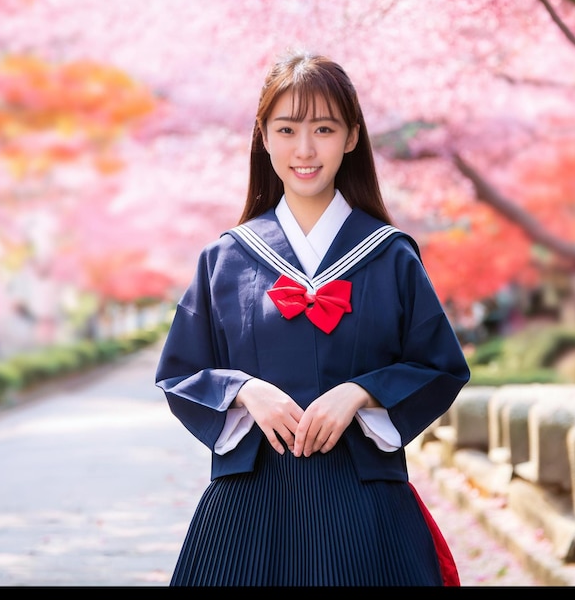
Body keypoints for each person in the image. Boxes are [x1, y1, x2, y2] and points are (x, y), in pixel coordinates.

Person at [155, 49, 470, 587]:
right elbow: (180, 373)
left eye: (324, 128)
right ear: (263, 136)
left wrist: (362, 393)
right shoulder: (225, 259)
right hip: (249, 505)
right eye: (286, 129)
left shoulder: (390, 256)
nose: (305, 149)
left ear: (351, 137)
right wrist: (244, 391)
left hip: (367, 507)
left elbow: (440, 367)